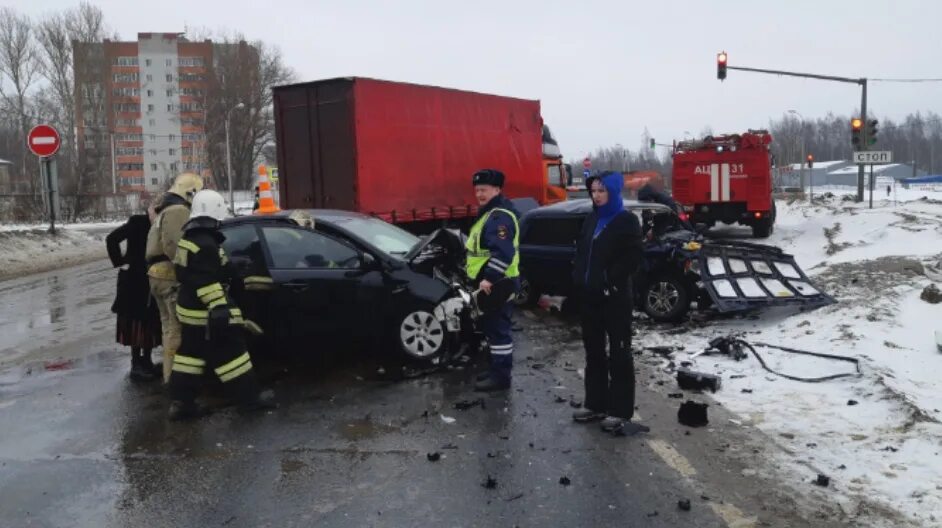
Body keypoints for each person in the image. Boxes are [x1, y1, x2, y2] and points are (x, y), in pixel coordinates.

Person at [167, 189, 274, 420]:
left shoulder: (190, 239)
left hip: (189, 309)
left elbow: (197, 272)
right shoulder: (205, 244)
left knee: (190, 357)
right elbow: (206, 279)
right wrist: (220, 307)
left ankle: (182, 404)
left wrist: (234, 268)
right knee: (234, 355)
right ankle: (250, 401)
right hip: (205, 312)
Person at [571, 171, 647, 435]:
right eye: (593, 191)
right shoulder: (592, 219)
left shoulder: (626, 221)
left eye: (602, 191)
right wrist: (578, 279)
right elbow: (582, 253)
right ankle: (595, 403)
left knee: (619, 353)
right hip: (590, 298)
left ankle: (620, 410)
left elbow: (632, 258)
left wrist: (610, 281)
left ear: (613, 193)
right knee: (594, 352)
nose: (596, 196)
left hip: (615, 299)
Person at [146, 173, 204, 383]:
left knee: (168, 328)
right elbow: (175, 245)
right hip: (170, 276)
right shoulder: (178, 210)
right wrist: (189, 270)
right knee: (175, 330)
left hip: (157, 276)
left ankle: (170, 375)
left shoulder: (164, 210)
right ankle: (175, 379)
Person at [466, 168, 521, 392]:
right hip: (491, 283)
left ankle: (501, 377)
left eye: (484, 190)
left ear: (497, 189)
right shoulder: (489, 214)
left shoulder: (499, 217)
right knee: (491, 329)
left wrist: (489, 279)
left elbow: (503, 253)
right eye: (477, 190)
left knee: (499, 331)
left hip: (498, 284)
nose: (479, 194)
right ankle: (495, 370)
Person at [107, 211, 162, 381]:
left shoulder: (160, 224)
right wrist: (121, 260)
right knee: (136, 322)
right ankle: (136, 364)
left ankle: (146, 361)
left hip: (152, 279)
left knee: (150, 321)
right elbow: (112, 239)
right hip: (135, 281)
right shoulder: (138, 222)